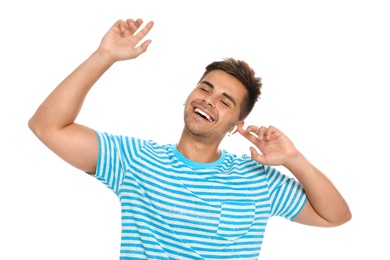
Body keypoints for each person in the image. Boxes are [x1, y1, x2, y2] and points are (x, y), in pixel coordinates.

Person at [28, 18, 351, 260]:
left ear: (235, 125)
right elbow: (47, 126)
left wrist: (294, 159)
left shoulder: (258, 180)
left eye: (225, 101)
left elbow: (336, 216)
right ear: (190, 95)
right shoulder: (135, 159)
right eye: (205, 88)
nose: (209, 100)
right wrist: (103, 56)